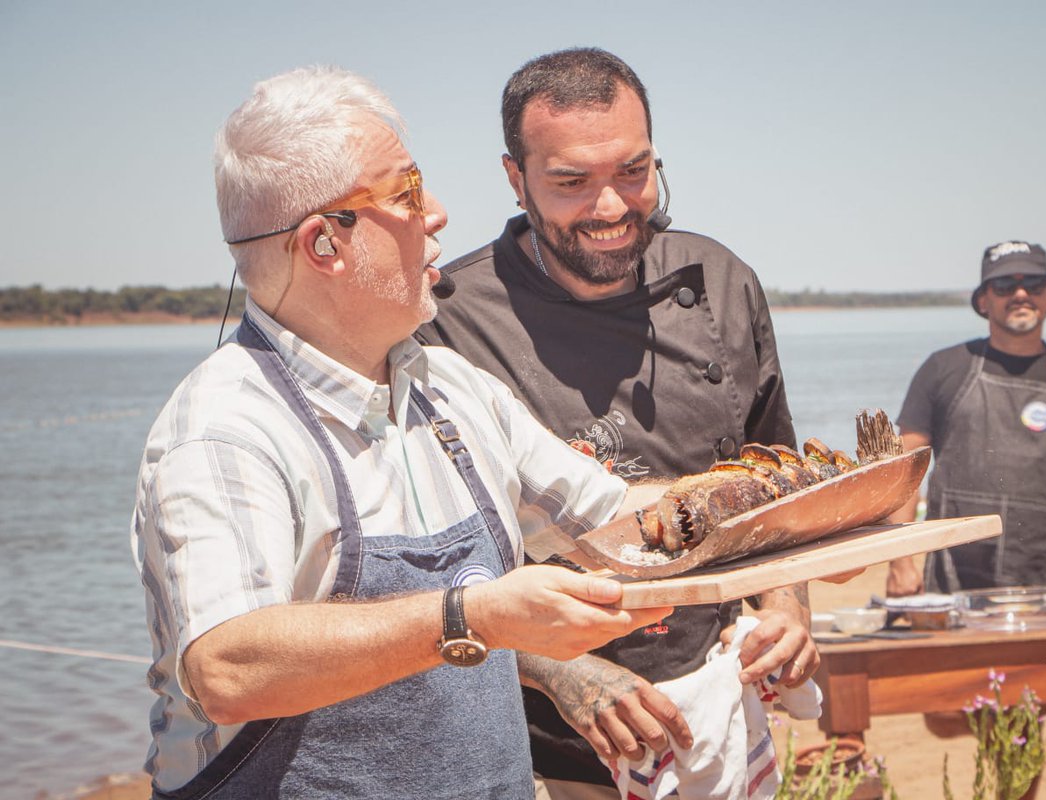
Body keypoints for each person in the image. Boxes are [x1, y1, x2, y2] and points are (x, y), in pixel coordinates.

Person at [130, 66, 678, 800]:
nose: (439, 215)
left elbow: (620, 517)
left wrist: (793, 501)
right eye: (408, 193)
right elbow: (228, 668)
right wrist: (468, 614)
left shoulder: (451, 387)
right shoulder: (224, 427)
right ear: (326, 245)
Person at [416, 48, 816, 799]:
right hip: (536, 744)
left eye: (633, 172)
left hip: (713, 699)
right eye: (571, 182)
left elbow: (778, 483)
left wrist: (787, 608)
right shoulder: (448, 320)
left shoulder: (722, 281)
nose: (610, 207)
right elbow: (430, 566)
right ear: (516, 178)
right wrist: (557, 667)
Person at [887, 240, 1046, 597]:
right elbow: (904, 468)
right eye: (1005, 286)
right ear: (984, 300)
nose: (1021, 294)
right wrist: (901, 562)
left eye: (1035, 285)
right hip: (954, 578)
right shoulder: (941, 369)